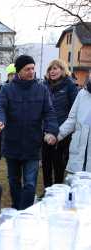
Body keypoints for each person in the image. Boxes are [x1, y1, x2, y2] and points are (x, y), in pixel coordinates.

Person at [0, 55, 59, 210]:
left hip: (32, 144)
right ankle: (17, 209)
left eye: (33, 68)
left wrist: (51, 131)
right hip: (12, 143)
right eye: (27, 69)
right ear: (18, 71)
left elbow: (49, 112)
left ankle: (25, 213)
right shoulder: (7, 89)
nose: (31, 72)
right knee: (13, 181)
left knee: (30, 183)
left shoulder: (41, 89)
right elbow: (0, 107)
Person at [42, 59, 78, 189]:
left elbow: (74, 110)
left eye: (55, 68)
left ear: (62, 70)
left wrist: (62, 130)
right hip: (45, 131)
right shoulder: (44, 85)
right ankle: (47, 190)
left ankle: (57, 189)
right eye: (50, 69)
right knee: (46, 162)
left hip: (62, 132)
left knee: (58, 163)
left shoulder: (70, 86)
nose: (52, 71)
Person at [57, 76, 91, 173]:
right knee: (76, 186)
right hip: (78, 155)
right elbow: (72, 120)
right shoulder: (82, 94)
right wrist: (57, 135)